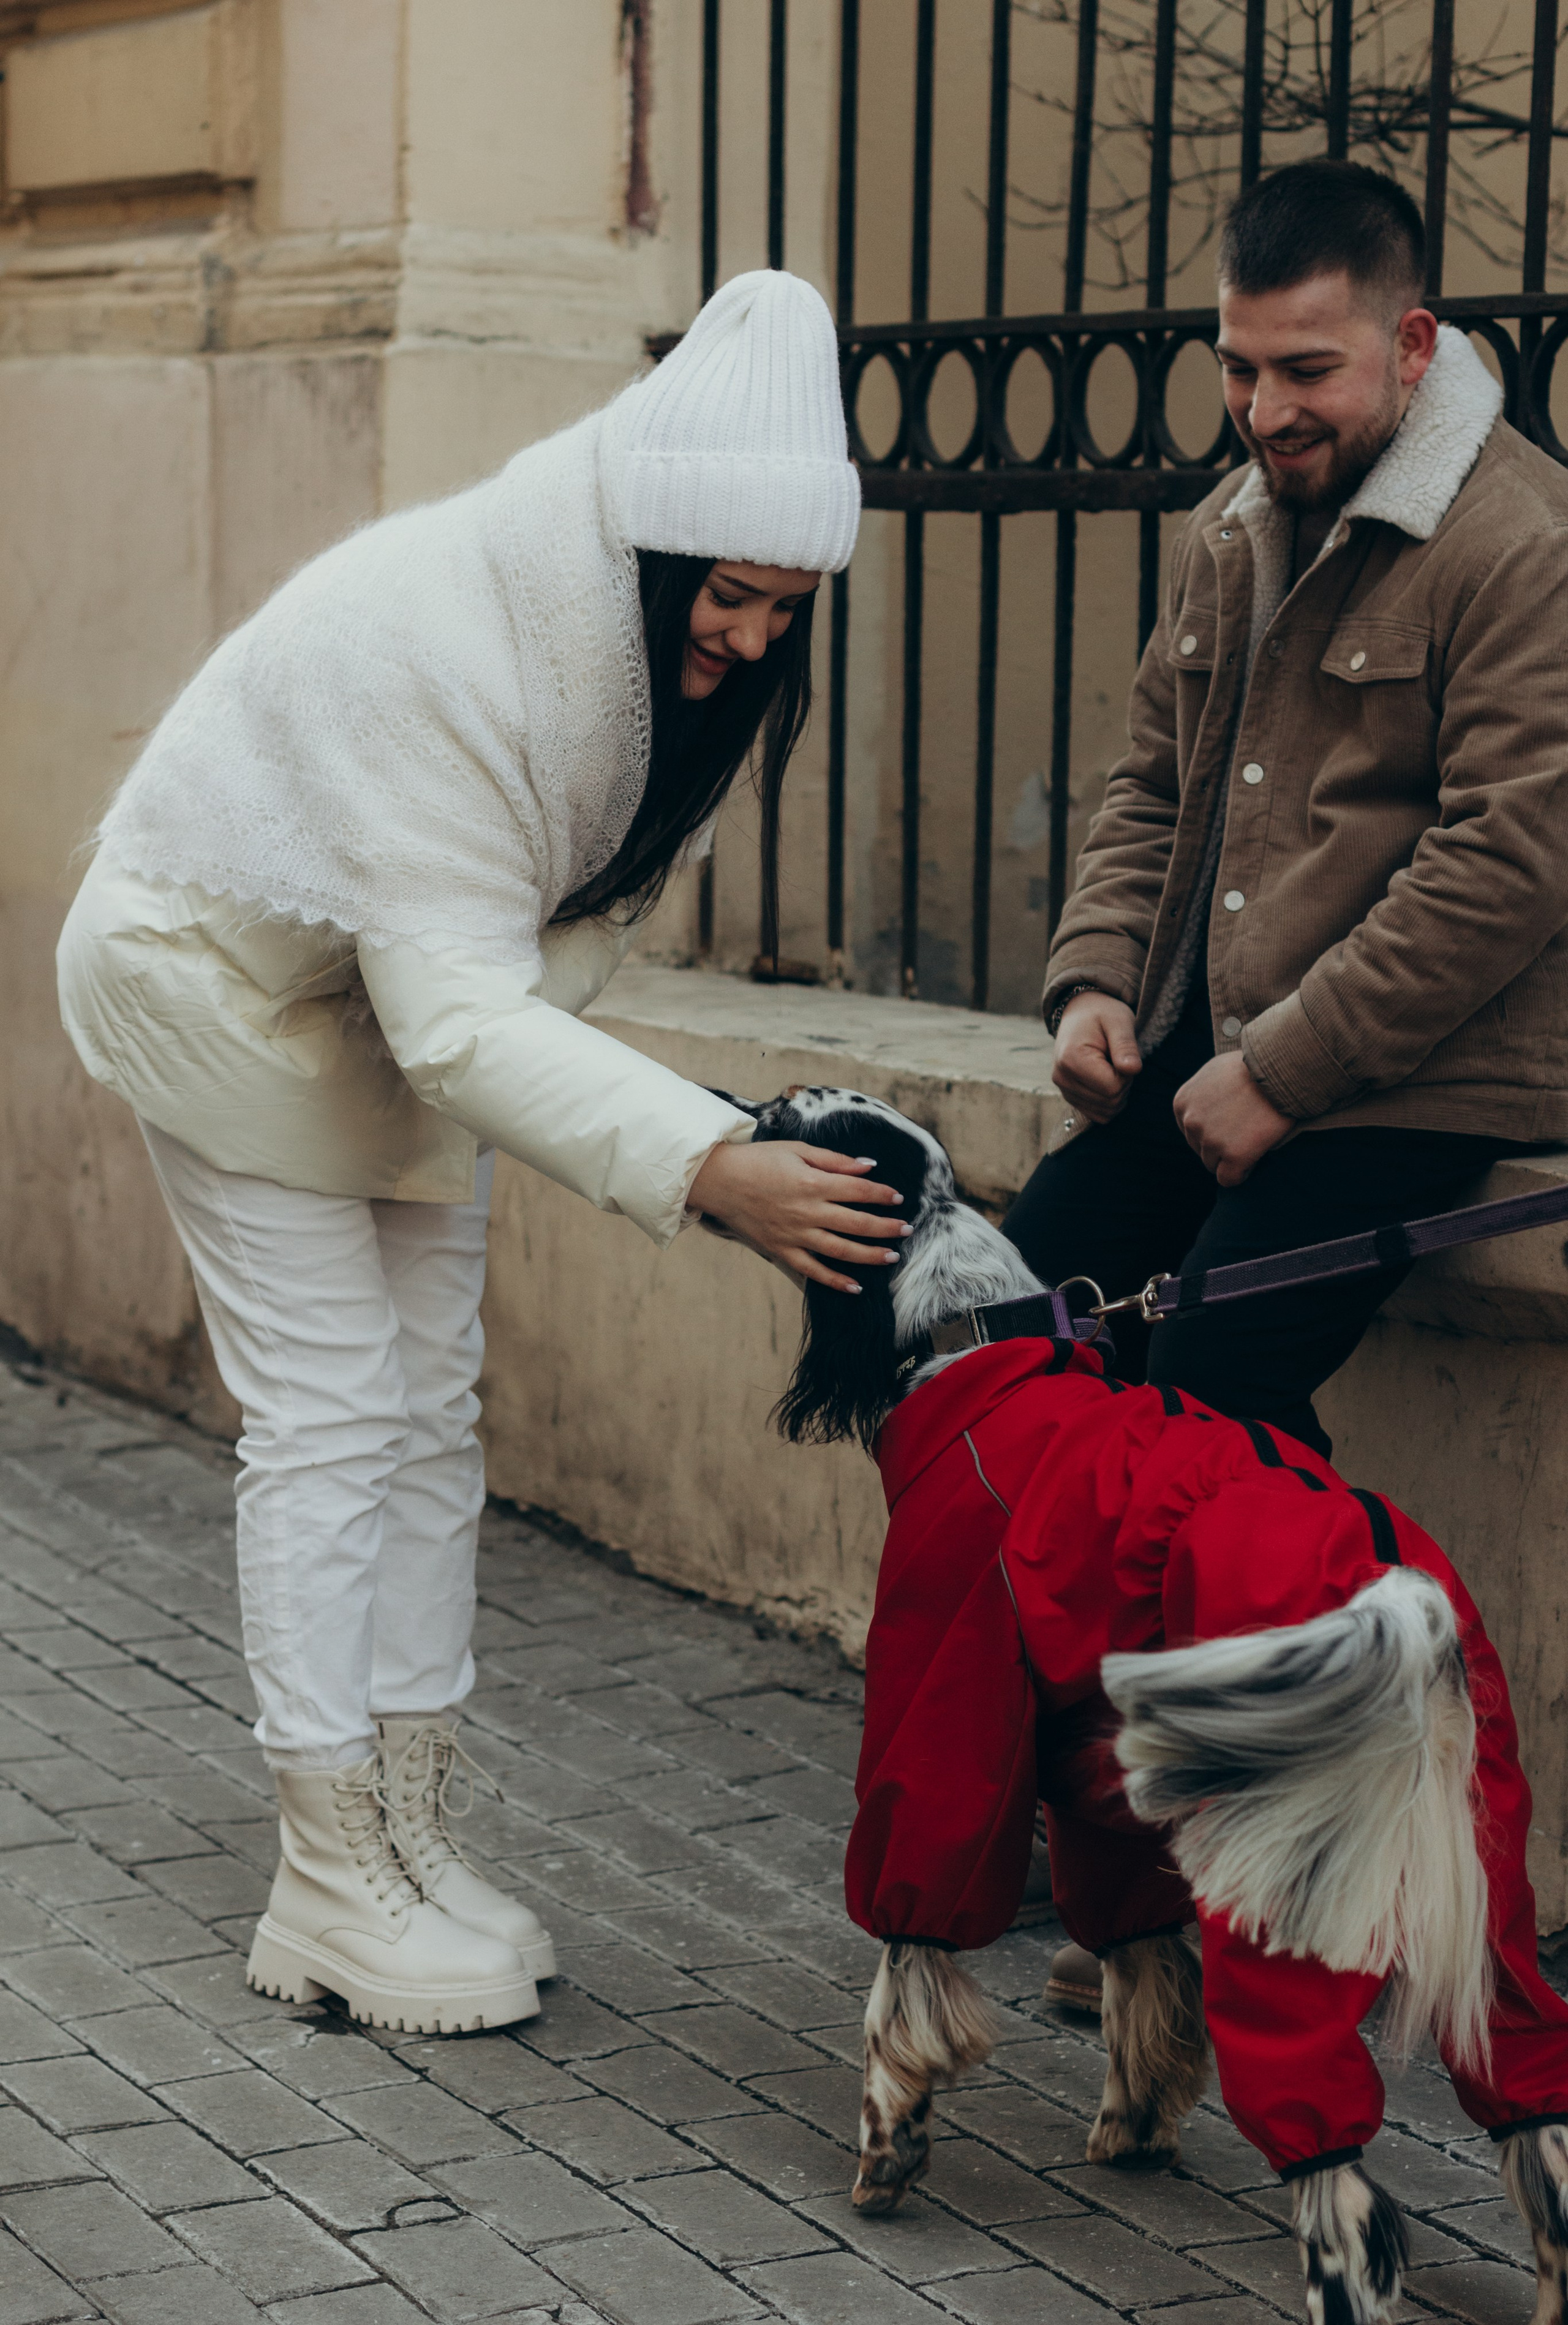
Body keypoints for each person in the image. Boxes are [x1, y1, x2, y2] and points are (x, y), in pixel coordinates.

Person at [56, 269, 907, 2036]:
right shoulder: (454, 634)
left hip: (388, 1006)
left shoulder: (646, 664)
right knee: (335, 1405)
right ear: (658, 551)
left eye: (787, 606)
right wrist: (705, 1164)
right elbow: (468, 1017)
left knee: (435, 1406)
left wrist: (672, 1136)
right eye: (730, 595)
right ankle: (327, 1874)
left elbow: (546, 949)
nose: (753, 638)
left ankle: (416, 1834)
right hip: (210, 983)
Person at [1000, 159, 1568, 2011]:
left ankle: (1314, 1828)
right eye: (1240, 368)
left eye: (1305, 371)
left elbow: (1503, 866)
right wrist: (1098, 980)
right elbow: (1147, 776)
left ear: (1412, 345)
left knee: (1215, 1376)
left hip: (1425, 1064)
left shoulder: (1520, 543)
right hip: (1217, 1033)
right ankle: (1109, 1800)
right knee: (1027, 1311)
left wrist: (1285, 1074)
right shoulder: (1236, 516)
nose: (1264, 410)